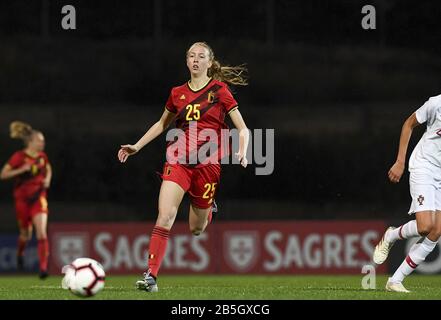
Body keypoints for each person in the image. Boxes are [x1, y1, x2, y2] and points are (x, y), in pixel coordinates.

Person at [118, 42, 249, 292]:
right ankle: (151, 276)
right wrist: (137, 145)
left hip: (208, 165)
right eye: (191, 56)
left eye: (201, 56)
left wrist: (242, 151)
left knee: (196, 229)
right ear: (187, 61)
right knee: (165, 215)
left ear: (210, 62)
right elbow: (162, 123)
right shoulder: (177, 92)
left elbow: (242, 129)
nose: (196, 60)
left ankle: (209, 209)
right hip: (178, 161)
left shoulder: (219, 91)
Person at [373, 95, 441, 292]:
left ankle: (395, 281)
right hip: (424, 167)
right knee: (425, 226)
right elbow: (408, 124)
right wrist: (400, 161)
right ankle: (392, 235)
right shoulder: (436, 104)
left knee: (436, 231)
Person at [0, 121, 52, 279]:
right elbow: (3, 174)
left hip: (39, 198)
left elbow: (48, 168)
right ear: (31, 141)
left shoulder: (43, 157)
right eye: (40, 140)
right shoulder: (19, 157)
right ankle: (20, 253)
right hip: (22, 201)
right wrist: (21, 170)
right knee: (25, 235)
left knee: (41, 232)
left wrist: (47, 179)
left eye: (43, 140)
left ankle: (43, 269)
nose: (42, 143)